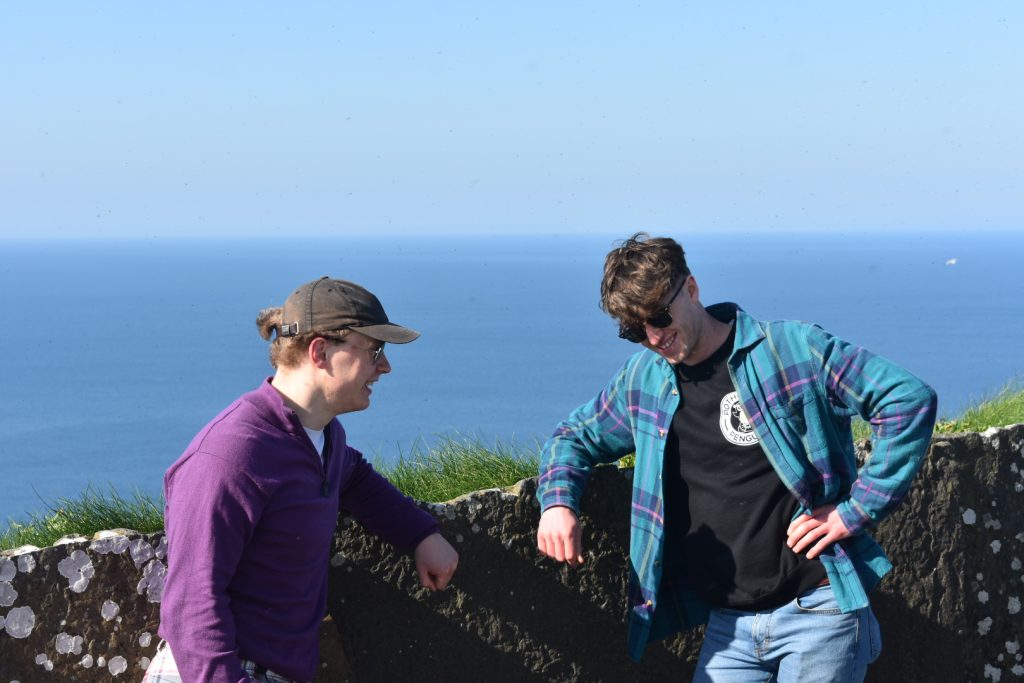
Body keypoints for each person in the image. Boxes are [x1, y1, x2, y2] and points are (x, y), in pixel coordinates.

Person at [535, 234, 936, 682]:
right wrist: (557, 503)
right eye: (634, 330)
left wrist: (854, 511)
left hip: (817, 607)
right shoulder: (644, 380)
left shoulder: (791, 349)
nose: (653, 337)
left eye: (660, 316)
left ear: (691, 289)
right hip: (728, 624)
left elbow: (907, 400)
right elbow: (574, 435)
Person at [145, 276, 459, 683]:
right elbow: (190, 603)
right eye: (374, 350)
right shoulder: (228, 456)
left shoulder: (320, 435)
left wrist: (421, 534)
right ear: (320, 351)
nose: (385, 366)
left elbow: (353, 477)